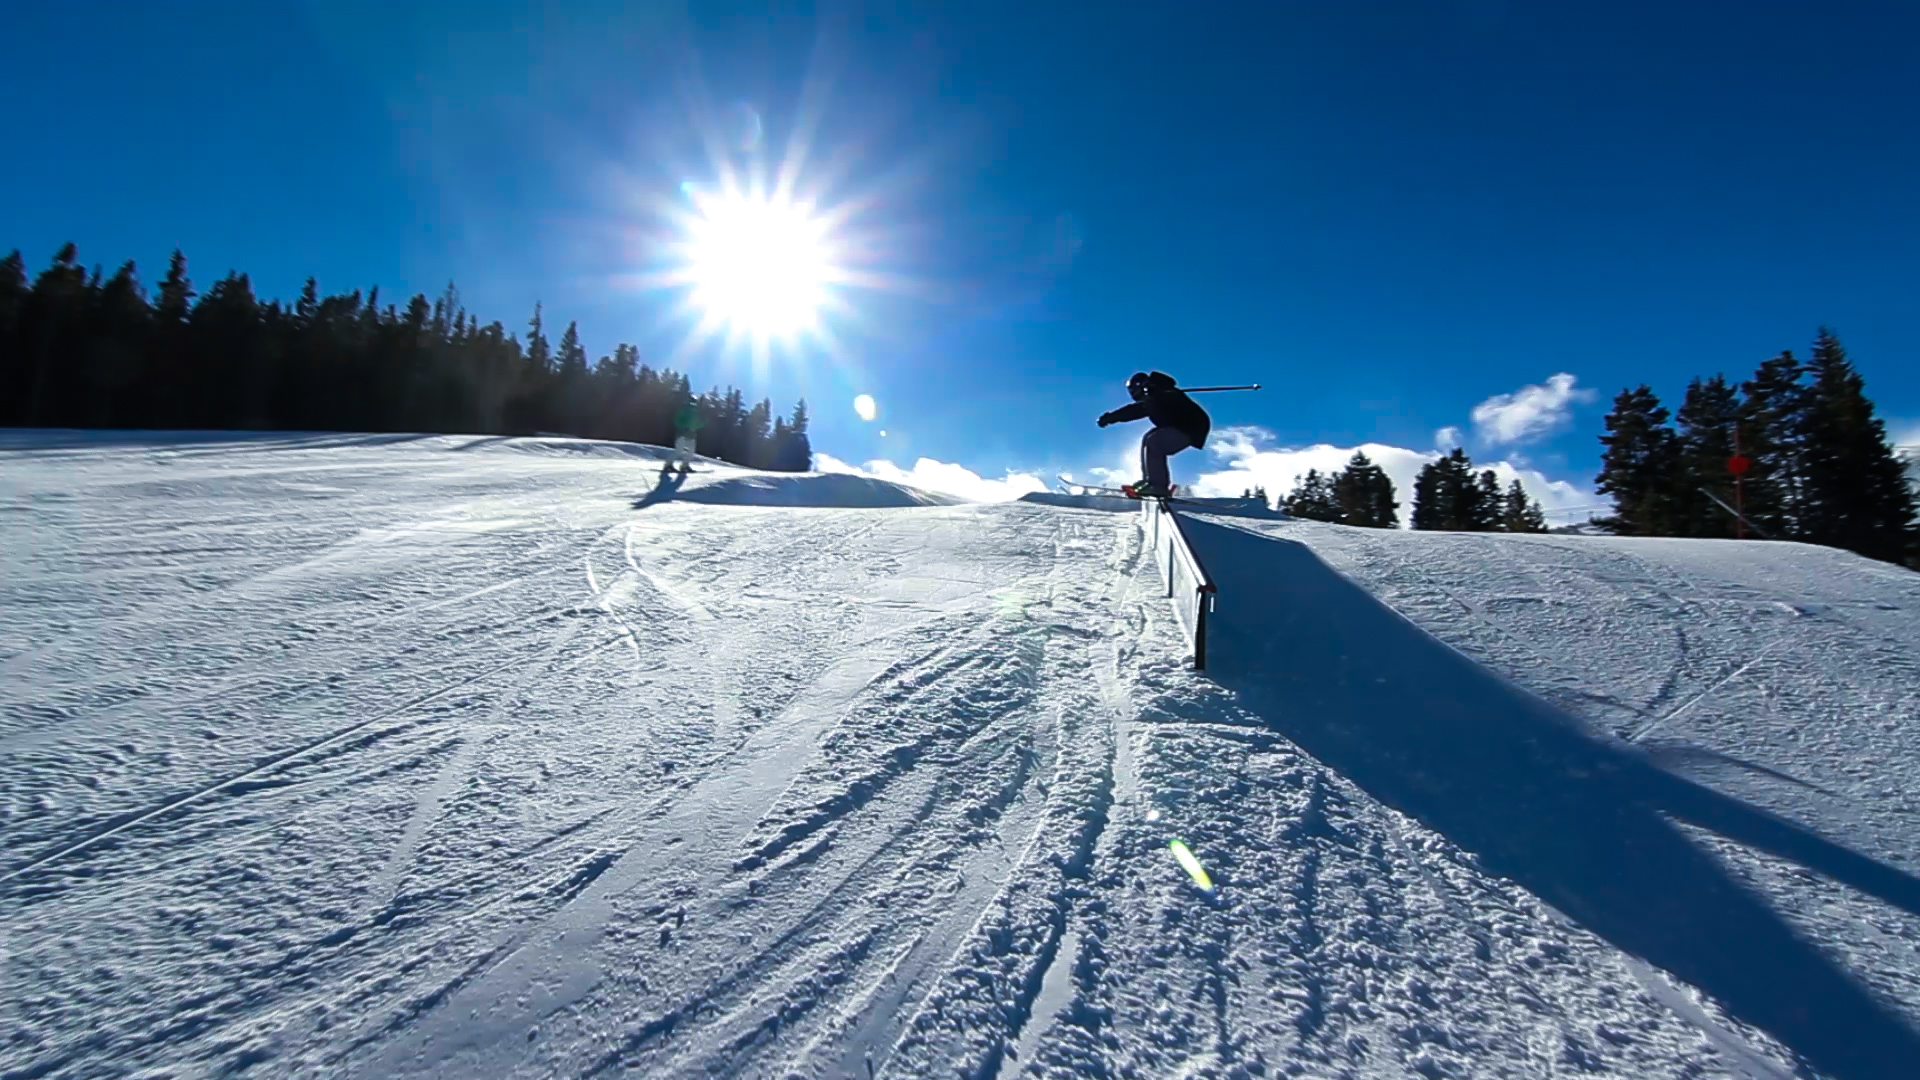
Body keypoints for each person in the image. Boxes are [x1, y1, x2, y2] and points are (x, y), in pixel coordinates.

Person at [1097, 371, 1210, 498]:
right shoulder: (1157, 394)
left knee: (1155, 441)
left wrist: (1110, 418)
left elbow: (1134, 411)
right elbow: (1138, 409)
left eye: (1133, 390)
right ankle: (1150, 480)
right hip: (1184, 426)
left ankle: (1158, 486)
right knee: (1148, 438)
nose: (1133, 395)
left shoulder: (1159, 394)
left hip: (1191, 427)